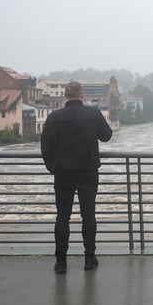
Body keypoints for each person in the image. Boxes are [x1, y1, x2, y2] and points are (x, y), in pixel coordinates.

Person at [41, 81, 113, 274]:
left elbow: (45, 147)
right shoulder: (92, 114)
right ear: (82, 95)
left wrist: (52, 167)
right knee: (88, 216)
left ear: (65, 95)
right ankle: (89, 258)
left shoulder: (54, 117)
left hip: (62, 173)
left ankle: (61, 262)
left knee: (62, 217)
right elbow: (106, 136)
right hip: (88, 172)